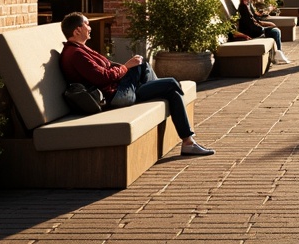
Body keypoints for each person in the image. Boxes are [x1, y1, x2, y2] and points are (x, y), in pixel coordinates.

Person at [58, 13, 214, 156]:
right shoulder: (76, 54)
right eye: (86, 24)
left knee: (155, 77)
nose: (90, 27)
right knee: (171, 84)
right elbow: (102, 77)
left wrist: (126, 66)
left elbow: (107, 67)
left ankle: (188, 142)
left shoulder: (80, 49)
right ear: (77, 30)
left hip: (117, 89)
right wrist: (126, 67)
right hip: (114, 96)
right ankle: (187, 140)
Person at [237, 0, 291, 64]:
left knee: (275, 30)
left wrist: (267, 23)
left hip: (256, 29)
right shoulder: (243, 8)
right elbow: (249, 25)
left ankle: (278, 54)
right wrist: (262, 29)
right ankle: (278, 55)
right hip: (252, 32)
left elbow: (255, 18)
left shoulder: (247, 5)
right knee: (275, 32)